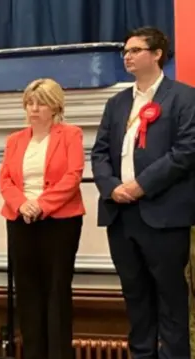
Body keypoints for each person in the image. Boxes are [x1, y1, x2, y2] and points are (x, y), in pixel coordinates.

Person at [90, 26, 195, 359]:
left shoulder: (184, 97)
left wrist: (141, 185)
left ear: (157, 54)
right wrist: (112, 187)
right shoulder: (117, 102)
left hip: (163, 213)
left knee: (170, 297)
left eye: (135, 50)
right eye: (125, 51)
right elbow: (100, 152)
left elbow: (186, 150)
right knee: (134, 296)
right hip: (121, 214)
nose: (127, 56)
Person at [0, 78, 84, 359]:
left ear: (55, 106)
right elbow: (5, 179)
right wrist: (23, 204)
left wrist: (41, 205)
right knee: (27, 290)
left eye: (41, 103)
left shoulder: (71, 134)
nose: (34, 109)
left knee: (56, 289)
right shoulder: (14, 139)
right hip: (20, 220)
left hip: (60, 222)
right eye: (30, 103)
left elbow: (73, 176)